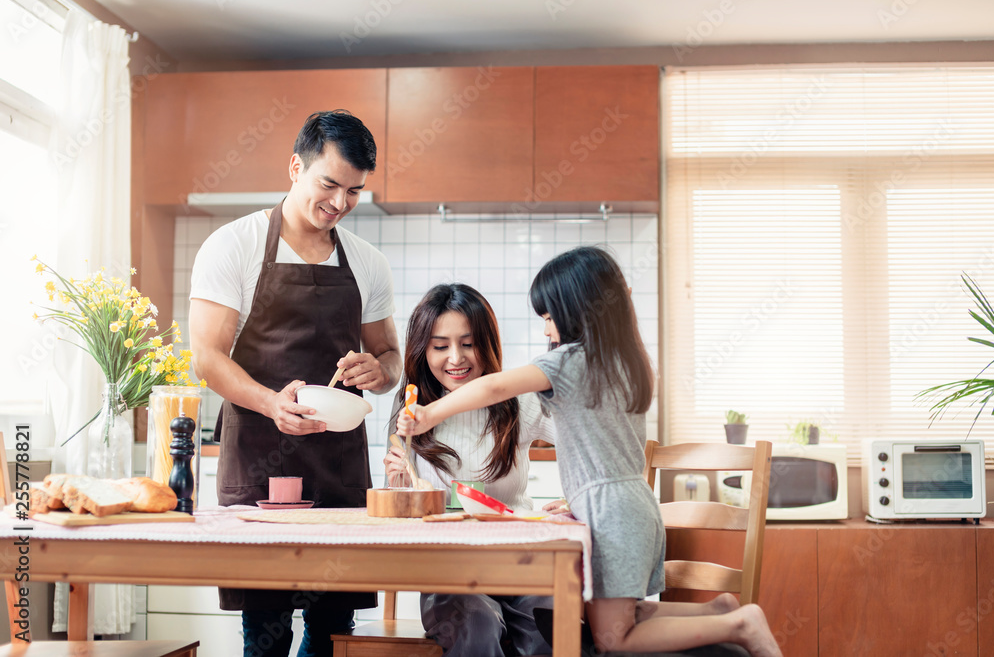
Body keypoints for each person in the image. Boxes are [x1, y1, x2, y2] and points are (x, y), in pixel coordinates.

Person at [397, 247, 782, 657]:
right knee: (613, 618)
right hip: (633, 506)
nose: (546, 331)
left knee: (612, 638)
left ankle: (739, 622)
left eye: (548, 318)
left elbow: (495, 387)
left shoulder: (567, 362)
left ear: (573, 309)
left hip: (610, 513)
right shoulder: (623, 362)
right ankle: (719, 609)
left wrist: (430, 412)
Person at [189, 110, 402, 657]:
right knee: (267, 630)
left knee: (333, 633)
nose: (339, 203)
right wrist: (269, 403)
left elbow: (391, 358)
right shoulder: (232, 245)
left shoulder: (368, 262)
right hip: (261, 458)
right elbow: (207, 358)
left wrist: (380, 371)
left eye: (354, 191)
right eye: (328, 184)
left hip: (337, 463)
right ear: (294, 167)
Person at [383, 283, 556, 656]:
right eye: (440, 346)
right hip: (447, 570)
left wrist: (576, 496)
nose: (456, 358)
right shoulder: (412, 409)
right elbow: (397, 518)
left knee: (552, 624)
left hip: (519, 562)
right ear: (422, 349)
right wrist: (398, 486)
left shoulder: (518, 401)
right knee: (476, 623)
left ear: (487, 343)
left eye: (468, 343)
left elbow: (588, 441)